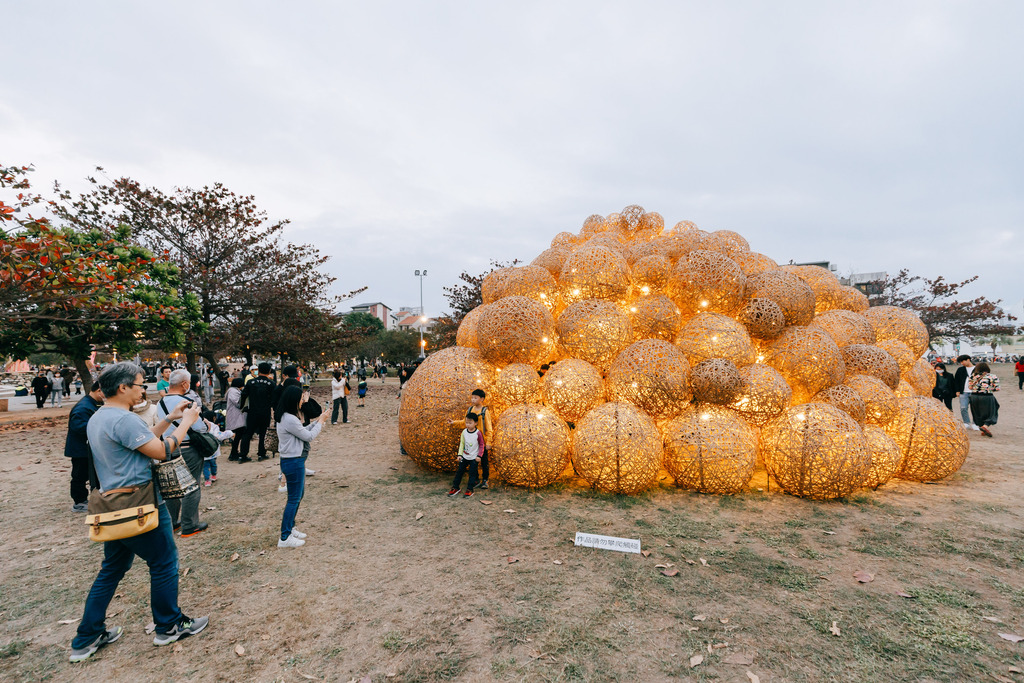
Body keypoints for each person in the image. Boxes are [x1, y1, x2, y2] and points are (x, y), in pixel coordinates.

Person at [69, 362, 208, 663]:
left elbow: (142, 441)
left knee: (112, 569)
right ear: (122, 388)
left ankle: (87, 636)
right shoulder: (124, 419)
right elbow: (161, 450)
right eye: (139, 384)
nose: (143, 390)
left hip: (112, 506)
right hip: (140, 505)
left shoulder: (100, 416)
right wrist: (186, 422)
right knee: (164, 562)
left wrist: (169, 418)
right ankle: (169, 625)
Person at [156, 370, 212, 538]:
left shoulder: (161, 402)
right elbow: (199, 427)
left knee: (172, 488)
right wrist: (207, 425)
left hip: (168, 447)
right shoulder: (186, 402)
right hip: (187, 448)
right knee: (192, 486)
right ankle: (190, 525)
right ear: (184, 384)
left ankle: (172, 522)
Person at [276, 385, 328, 548]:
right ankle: (285, 537)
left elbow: (302, 431)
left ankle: (290, 528)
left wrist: (318, 421)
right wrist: (321, 422)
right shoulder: (289, 418)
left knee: (297, 497)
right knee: (293, 499)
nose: (302, 401)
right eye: (301, 398)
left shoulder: (287, 417)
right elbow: (309, 436)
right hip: (293, 461)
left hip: (292, 460)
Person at [65, 382, 105, 512]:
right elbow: (79, 427)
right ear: (98, 390)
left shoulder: (94, 404)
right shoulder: (83, 407)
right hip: (80, 449)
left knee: (91, 474)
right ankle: (79, 501)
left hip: (88, 448)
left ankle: (94, 498)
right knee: (80, 476)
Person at [448, 389, 494, 489]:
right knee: (473, 462)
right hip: (472, 442)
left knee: (484, 462)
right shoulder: (470, 410)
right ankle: (476, 479)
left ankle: (485, 480)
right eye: (472, 397)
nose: (473, 400)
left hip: (482, 442)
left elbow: (489, 428)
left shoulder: (484, 412)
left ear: (482, 399)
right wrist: (453, 423)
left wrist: (489, 442)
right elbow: (464, 422)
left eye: (475, 398)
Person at [239, 363, 276, 462]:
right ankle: (261, 454)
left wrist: (241, 406)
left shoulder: (251, 382)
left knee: (248, 433)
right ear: (269, 371)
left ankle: (243, 455)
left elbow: (243, 395)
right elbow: (274, 399)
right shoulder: (271, 384)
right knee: (263, 433)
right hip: (265, 412)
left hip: (252, 411)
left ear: (258, 370)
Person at [447, 412, 484, 498]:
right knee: (459, 472)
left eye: (470, 423)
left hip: (474, 458)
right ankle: (455, 487)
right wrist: (460, 455)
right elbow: (462, 443)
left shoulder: (478, 433)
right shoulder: (464, 432)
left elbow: (482, 445)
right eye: (466, 422)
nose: (468, 425)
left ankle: (470, 489)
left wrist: (479, 456)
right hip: (464, 456)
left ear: (475, 423)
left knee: (472, 474)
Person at [968, 362, 1000, 437]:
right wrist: (988, 389)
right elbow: (997, 388)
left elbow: (970, 387)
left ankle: (982, 427)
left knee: (978, 412)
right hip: (986, 396)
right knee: (992, 411)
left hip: (974, 396)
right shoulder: (992, 376)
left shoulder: (973, 376)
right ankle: (985, 426)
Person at [952, 355, 979, 431]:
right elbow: (956, 380)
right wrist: (957, 390)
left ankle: (975, 423)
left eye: (963, 361)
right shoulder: (960, 370)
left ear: (968, 360)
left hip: (975, 392)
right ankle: (966, 422)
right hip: (963, 391)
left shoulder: (977, 369)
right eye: (960, 362)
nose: (962, 363)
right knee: (963, 408)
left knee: (976, 408)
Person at [225, 378, 249, 461]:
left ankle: (234, 452)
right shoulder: (233, 391)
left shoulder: (234, 390)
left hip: (237, 416)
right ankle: (233, 453)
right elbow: (238, 403)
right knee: (238, 435)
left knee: (238, 435)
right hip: (236, 416)